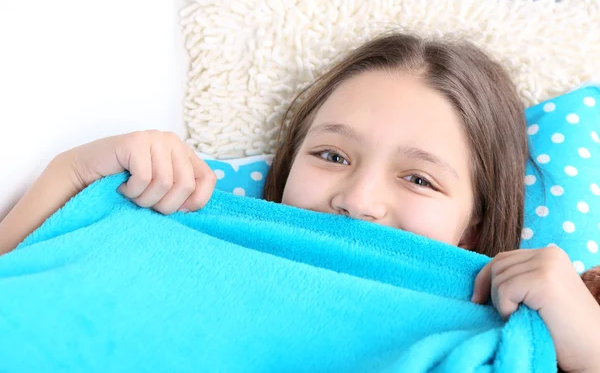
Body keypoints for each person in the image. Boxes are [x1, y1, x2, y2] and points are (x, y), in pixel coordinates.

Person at [0, 33, 599, 371]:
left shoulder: (519, 330)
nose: (358, 200)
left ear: (475, 224)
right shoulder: (168, 225)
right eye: (332, 157)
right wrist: (73, 172)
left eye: (419, 179)